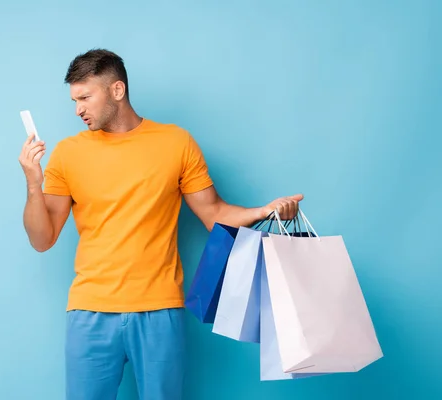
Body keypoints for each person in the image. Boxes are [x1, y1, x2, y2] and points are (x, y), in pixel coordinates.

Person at [18, 48, 303, 400]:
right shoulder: (68, 153)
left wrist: (266, 211)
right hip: (89, 310)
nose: (78, 109)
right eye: (74, 99)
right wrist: (33, 181)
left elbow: (214, 214)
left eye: (85, 97)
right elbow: (42, 238)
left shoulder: (175, 143)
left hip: (158, 309)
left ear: (117, 91)